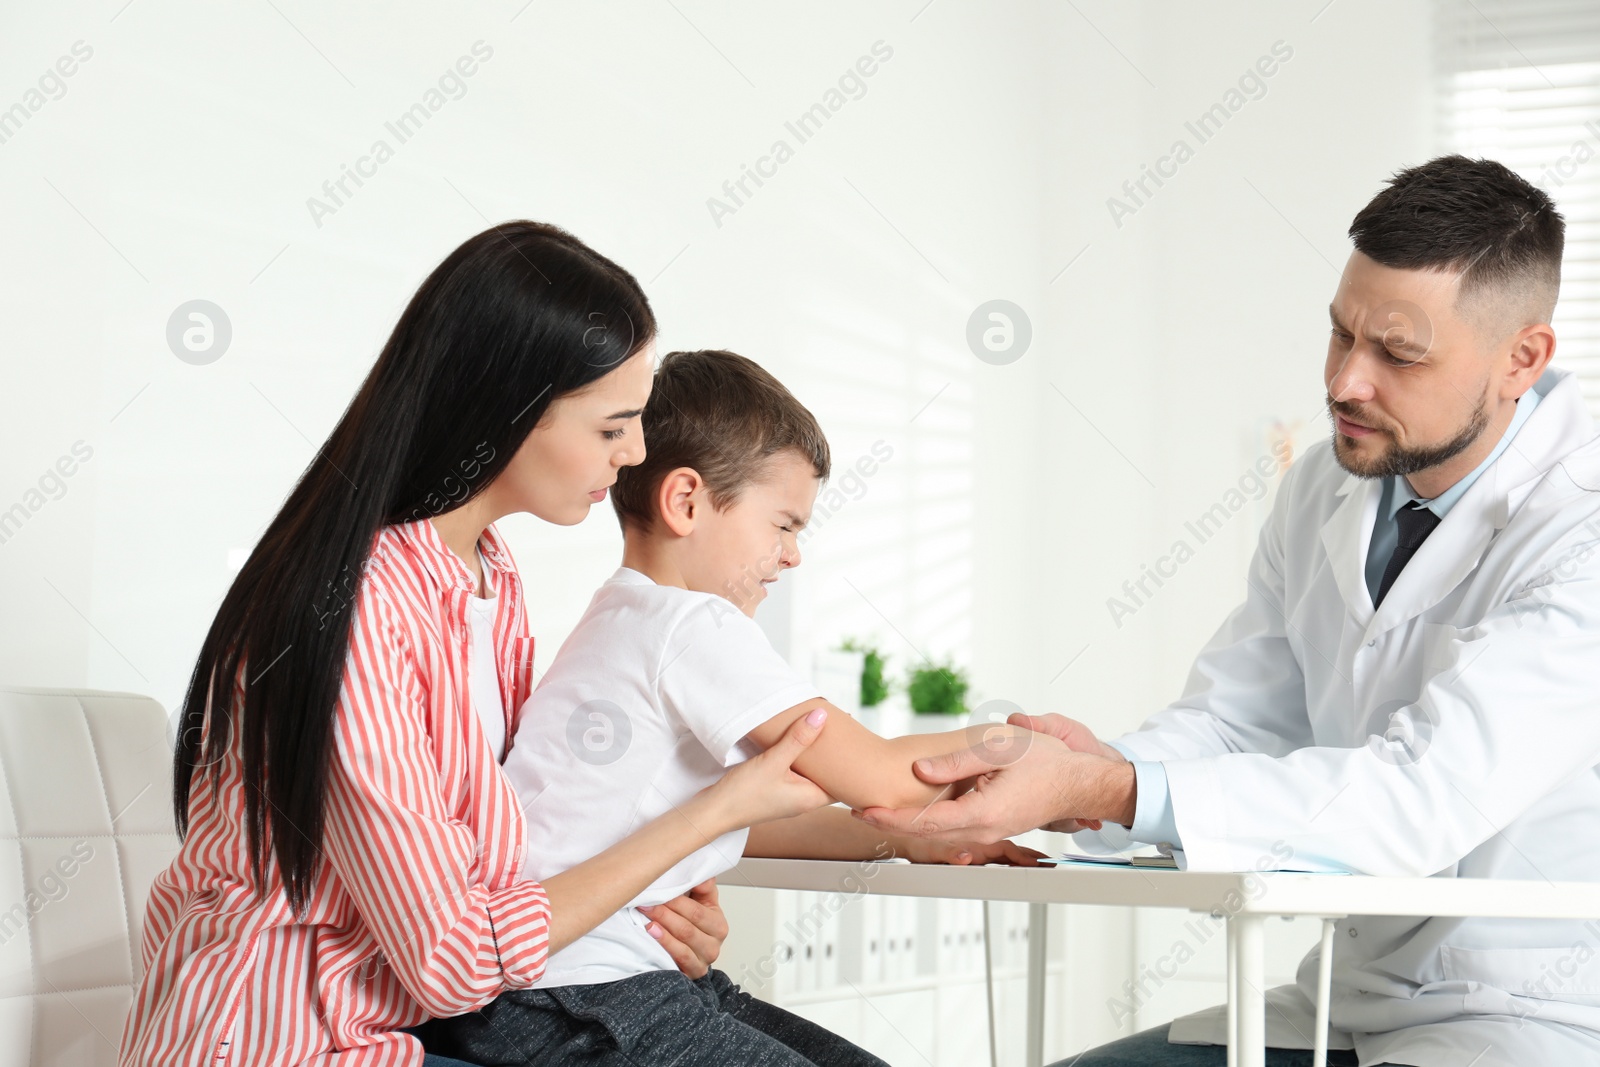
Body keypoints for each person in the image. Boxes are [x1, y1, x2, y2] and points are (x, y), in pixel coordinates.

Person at [856, 156, 1600, 1066]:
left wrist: (1106, 789)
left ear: (1521, 358)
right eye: (1340, 335)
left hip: (1526, 1012)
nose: (1344, 383)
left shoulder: (1581, 522)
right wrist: (1100, 765)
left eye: (1399, 355)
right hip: (1339, 998)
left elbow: (1423, 794)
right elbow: (1241, 718)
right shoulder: (1329, 481)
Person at [119, 223, 837, 1067]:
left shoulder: (485, 578)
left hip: (427, 1029)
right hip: (295, 1046)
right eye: (612, 427)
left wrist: (657, 891)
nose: (637, 452)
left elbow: (520, 847)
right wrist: (706, 815)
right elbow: (453, 955)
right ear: (511, 411)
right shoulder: (354, 609)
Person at [434, 348, 1044, 1065]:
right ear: (686, 501)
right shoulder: (694, 627)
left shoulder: (623, 618)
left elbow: (756, 819)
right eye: (783, 524)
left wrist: (907, 837)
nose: (792, 557)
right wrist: (1029, 752)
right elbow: (878, 772)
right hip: (579, 992)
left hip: (585, 985)